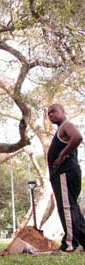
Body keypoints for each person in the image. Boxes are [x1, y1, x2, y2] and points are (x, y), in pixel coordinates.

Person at [47, 104, 85, 252]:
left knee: (67, 208)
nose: (50, 115)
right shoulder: (60, 129)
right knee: (72, 208)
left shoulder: (66, 125)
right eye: (48, 113)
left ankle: (69, 244)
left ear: (63, 112)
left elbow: (78, 137)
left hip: (65, 172)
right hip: (65, 173)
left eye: (53, 111)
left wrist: (62, 155)